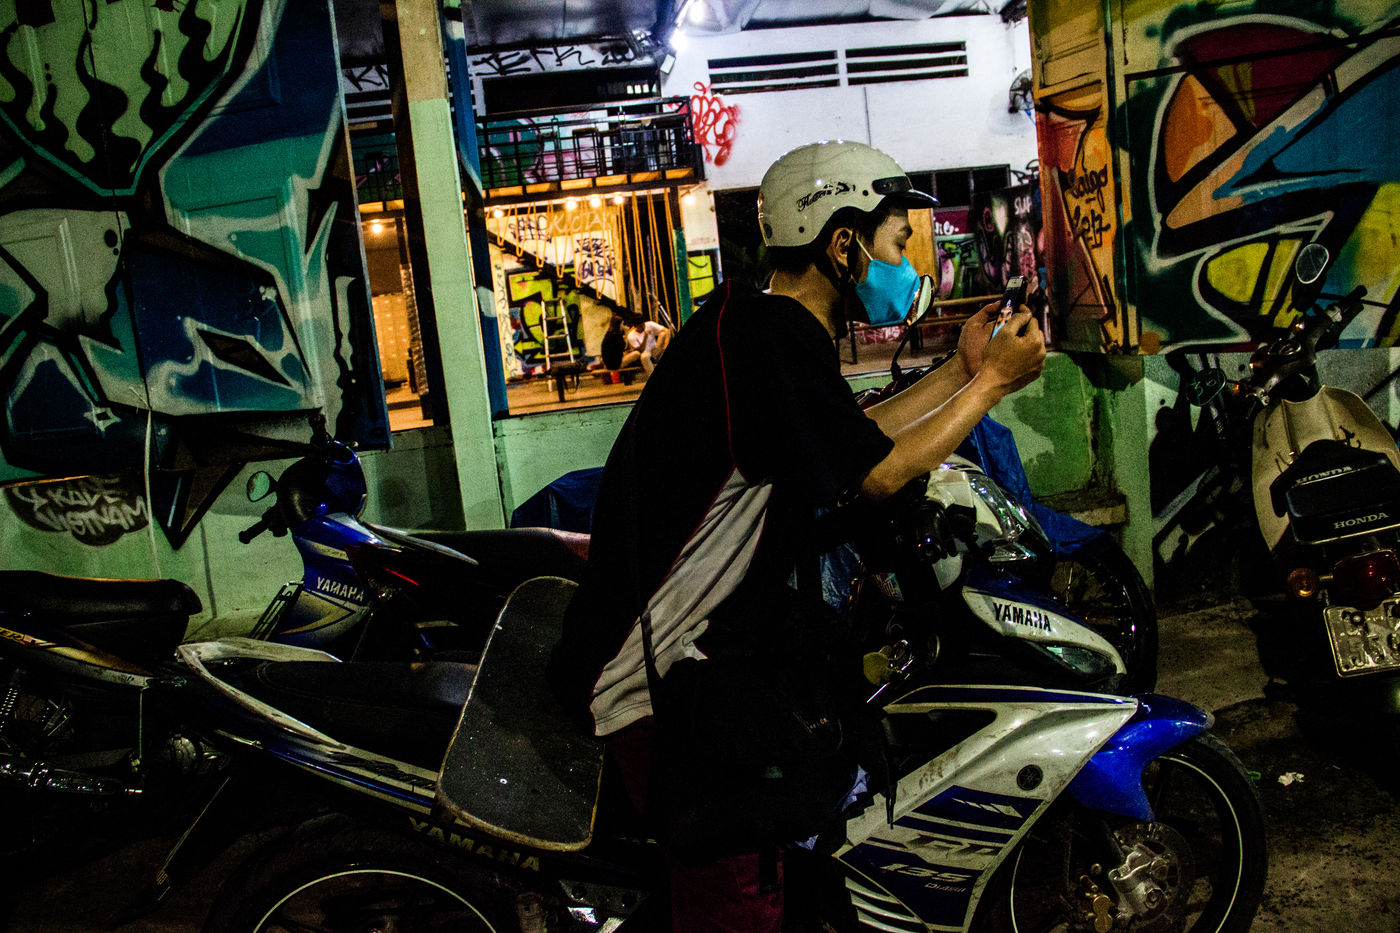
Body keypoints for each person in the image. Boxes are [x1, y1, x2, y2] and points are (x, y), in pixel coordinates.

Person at [548, 140, 1045, 931]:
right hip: (653, 676)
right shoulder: (769, 339)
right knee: (738, 903)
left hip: (686, 655)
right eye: (895, 242)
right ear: (841, 244)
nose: (907, 262)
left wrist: (959, 371)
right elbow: (879, 474)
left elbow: (853, 441)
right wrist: (991, 385)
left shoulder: (758, 327)